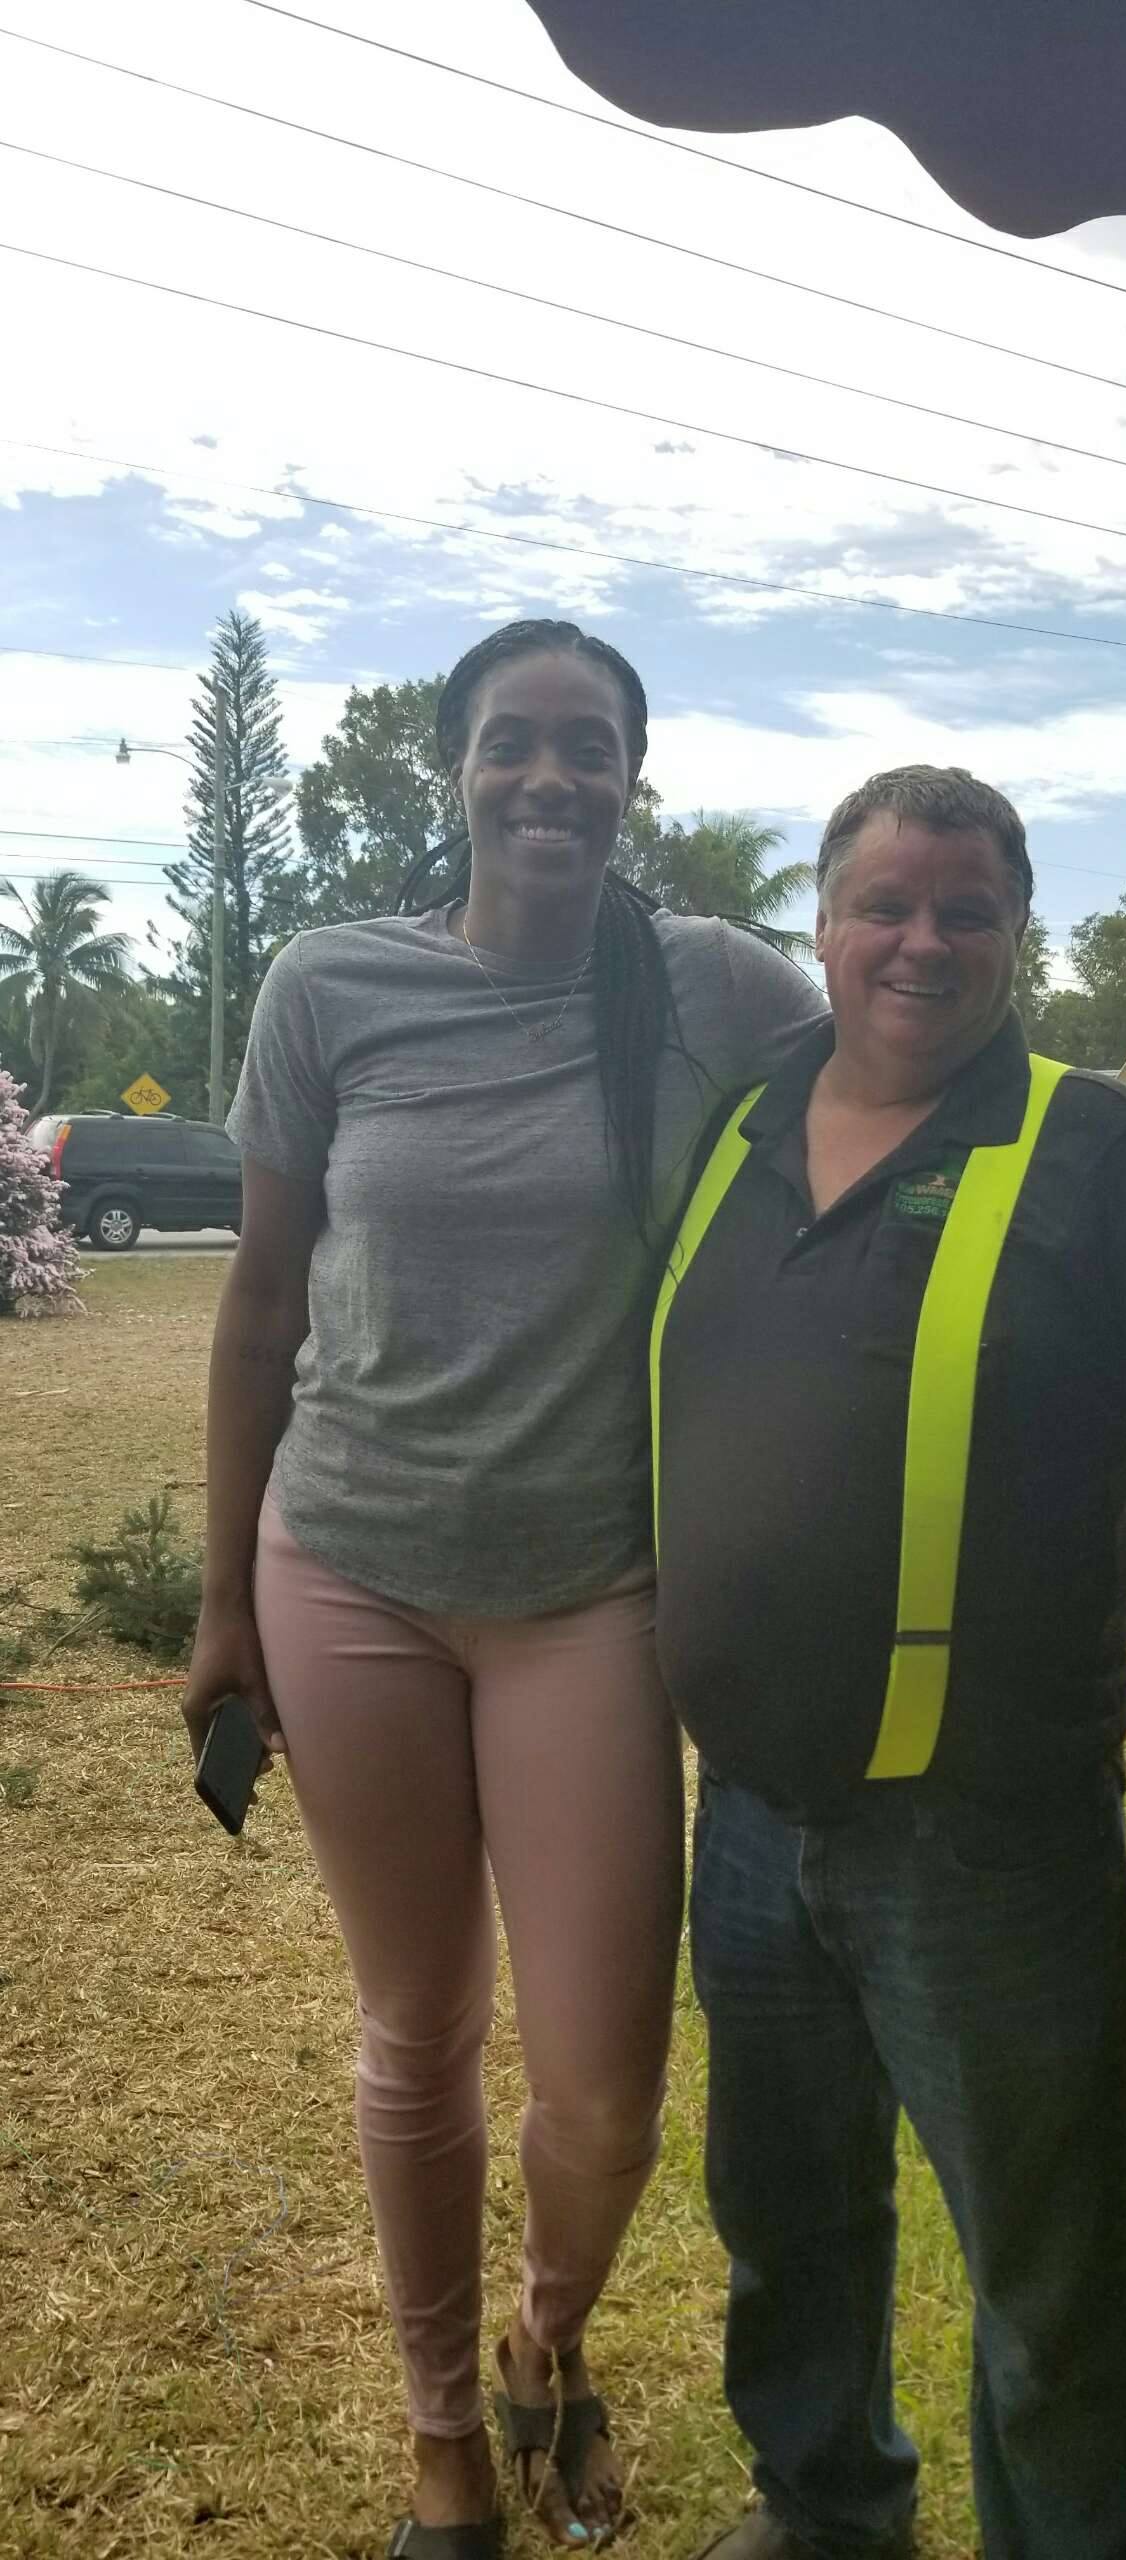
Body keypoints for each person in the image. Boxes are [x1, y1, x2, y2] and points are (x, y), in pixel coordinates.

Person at [179, 618, 827, 2557]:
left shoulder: (715, 986)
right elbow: (259, 1302)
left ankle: (551, 2342)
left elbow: (897, 1048)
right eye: (512, 743)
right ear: (448, 770)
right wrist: (220, 1599)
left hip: (589, 1595)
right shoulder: (327, 985)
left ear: (635, 778)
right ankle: (445, 2435)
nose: (550, 777)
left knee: (609, 2089)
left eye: (589, 747)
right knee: (418, 2024)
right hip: (347, 1570)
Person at [648, 766, 1126, 2560]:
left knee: (1052, 2287)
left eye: (967, 909)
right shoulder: (746, 1117)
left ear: (1016, 936)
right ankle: (827, 2508)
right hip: (748, 1812)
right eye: (884, 905)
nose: (922, 940)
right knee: (786, 2218)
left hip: (986, 1836)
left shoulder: (1109, 1159)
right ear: (819, 927)